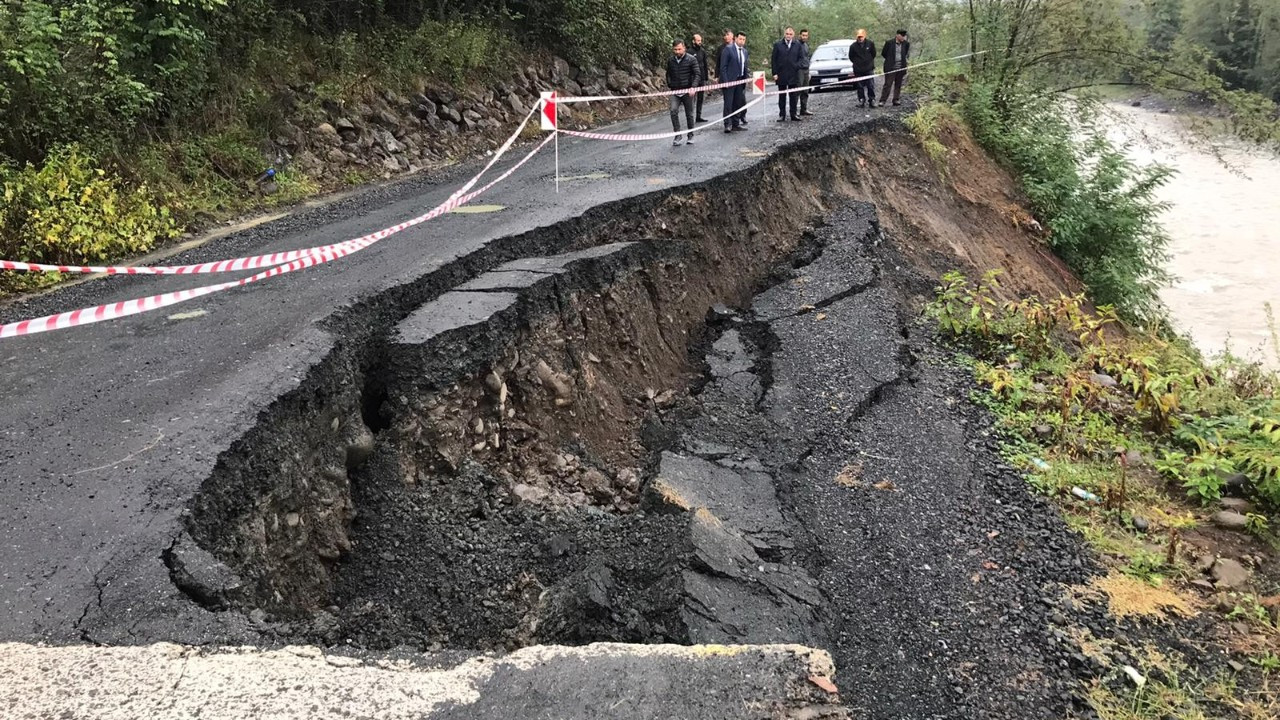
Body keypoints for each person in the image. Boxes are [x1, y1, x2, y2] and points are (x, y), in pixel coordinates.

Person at [666, 40, 700, 146]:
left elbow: (697, 74)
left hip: (688, 91)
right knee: (673, 111)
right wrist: (670, 84)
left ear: (684, 48)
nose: (677, 51)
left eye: (679, 49)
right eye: (675, 49)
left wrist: (693, 87)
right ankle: (678, 135)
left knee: (689, 114)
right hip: (675, 91)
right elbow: (668, 74)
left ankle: (691, 135)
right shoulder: (670, 60)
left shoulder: (691, 59)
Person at [771, 27, 804, 121]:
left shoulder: (797, 45)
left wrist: (796, 66)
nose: (788, 36)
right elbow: (774, 60)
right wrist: (774, 73)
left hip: (793, 74)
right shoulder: (778, 45)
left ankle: (793, 114)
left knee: (793, 96)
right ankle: (782, 115)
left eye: (790, 34)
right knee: (782, 95)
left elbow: (802, 59)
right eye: (787, 34)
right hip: (781, 74)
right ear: (784, 34)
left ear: (793, 35)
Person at [720, 31, 749, 132]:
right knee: (728, 103)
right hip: (730, 81)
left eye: (744, 40)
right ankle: (727, 124)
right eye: (740, 39)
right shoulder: (728, 49)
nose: (742, 41)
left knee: (738, 102)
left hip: (740, 80)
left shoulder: (745, 51)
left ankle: (736, 123)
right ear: (736, 39)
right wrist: (726, 81)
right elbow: (723, 67)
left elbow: (745, 66)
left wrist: (745, 79)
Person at [879, 29, 910, 106]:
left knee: (898, 84)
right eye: (902, 35)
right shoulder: (889, 43)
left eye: (904, 36)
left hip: (901, 67)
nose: (903, 37)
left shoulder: (906, 44)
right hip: (891, 68)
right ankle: (882, 100)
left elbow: (905, 53)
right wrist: (890, 60)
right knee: (888, 84)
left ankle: (896, 99)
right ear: (897, 35)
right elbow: (884, 53)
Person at [849, 29, 877, 108]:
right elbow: (851, 57)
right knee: (860, 86)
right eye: (859, 37)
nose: (860, 38)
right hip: (858, 69)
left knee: (870, 85)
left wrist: (868, 62)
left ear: (864, 36)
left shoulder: (870, 44)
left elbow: (873, 54)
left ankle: (872, 100)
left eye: (861, 37)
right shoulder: (853, 46)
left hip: (869, 68)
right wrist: (857, 63)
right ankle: (861, 100)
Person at [690, 33, 710, 123]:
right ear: (693, 41)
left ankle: (698, 116)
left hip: (701, 78)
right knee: (692, 99)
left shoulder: (702, 51)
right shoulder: (689, 52)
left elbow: (705, 65)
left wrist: (706, 77)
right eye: (698, 40)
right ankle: (690, 116)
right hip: (693, 79)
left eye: (700, 41)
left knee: (700, 98)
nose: (700, 42)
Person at [797, 29, 814, 116]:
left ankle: (804, 109)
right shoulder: (796, 45)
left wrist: (809, 71)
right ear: (800, 35)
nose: (804, 37)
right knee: (797, 90)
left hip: (806, 70)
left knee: (805, 90)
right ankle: (794, 111)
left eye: (806, 35)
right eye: (803, 35)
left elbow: (806, 58)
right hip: (799, 70)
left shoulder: (806, 45)